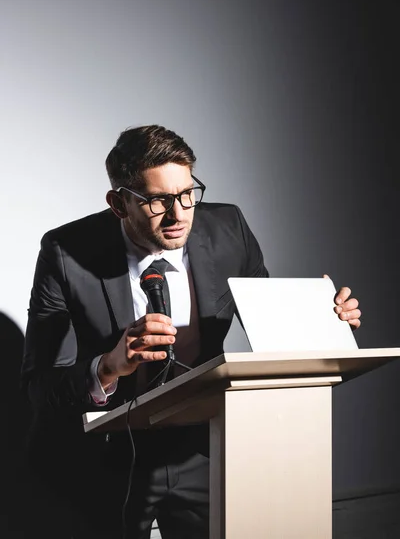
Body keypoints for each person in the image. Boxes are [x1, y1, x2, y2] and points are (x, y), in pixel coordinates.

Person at [21, 125, 361, 539]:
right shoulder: (65, 252)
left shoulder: (228, 229)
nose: (179, 214)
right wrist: (108, 368)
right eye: (158, 201)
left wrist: (324, 317)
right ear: (119, 203)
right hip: (107, 455)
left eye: (187, 194)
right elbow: (40, 386)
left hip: (202, 446)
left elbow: (272, 324)